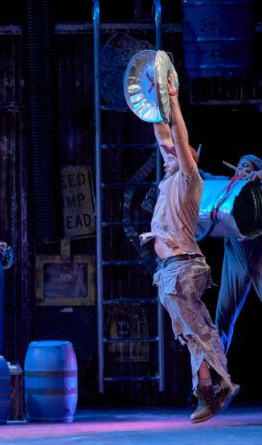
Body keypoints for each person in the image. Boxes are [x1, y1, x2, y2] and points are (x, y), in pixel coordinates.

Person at [140, 75, 239, 424]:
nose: (169, 151)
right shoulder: (169, 180)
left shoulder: (188, 178)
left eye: (178, 153)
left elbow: (178, 138)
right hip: (172, 271)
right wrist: (151, 95)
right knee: (194, 333)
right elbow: (163, 135)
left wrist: (172, 98)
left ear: (191, 158)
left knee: (197, 332)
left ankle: (215, 390)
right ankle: (215, 387)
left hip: (181, 269)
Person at [214, 154, 262, 354]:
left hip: (258, 254)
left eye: (247, 165)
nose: (242, 167)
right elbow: (202, 177)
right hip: (235, 258)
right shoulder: (229, 185)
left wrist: (260, 175)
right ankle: (217, 367)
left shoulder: (258, 188)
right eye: (240, 164)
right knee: (223, 315)